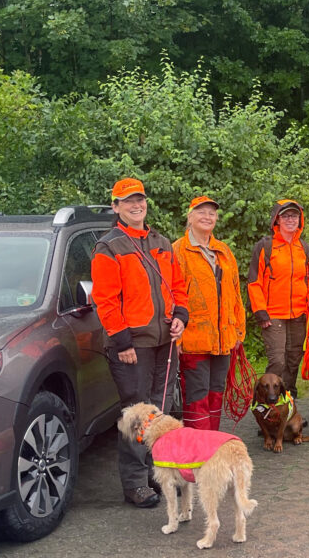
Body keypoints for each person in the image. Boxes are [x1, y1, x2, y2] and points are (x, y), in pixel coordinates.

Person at [91, 178, 189, 508]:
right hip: (132, 345)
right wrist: (122, 342)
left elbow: (178, 286)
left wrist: (181, 316)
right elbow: (105, 300)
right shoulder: (109, 246)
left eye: (140, 199)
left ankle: (155, 473)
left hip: (165, 341)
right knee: (137, 413)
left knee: (160, 411)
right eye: (128, 201)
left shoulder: (161, 242)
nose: (137, 205)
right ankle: (134, 483)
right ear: (116, 206)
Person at [173, 196, 246, 431]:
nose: (207, 217)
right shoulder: (178, 251)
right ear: (190, 216)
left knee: (216, 393)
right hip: (194, 340)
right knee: (197, 396)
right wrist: (178, 339)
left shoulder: (224, 251)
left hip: (224, 339)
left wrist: (238, 331)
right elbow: (172, 297)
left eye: (211, 213)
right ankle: (198, 448)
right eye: (201, 212)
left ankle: (212, 443)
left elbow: (235, 293)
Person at [247, 199, 309, 397]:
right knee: (277, 361)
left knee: (293, 360)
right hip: (273, 314)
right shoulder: (265, 246)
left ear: (300, 220)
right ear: (277, 220)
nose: (290, 219)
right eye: (285, 216)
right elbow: (254, 282)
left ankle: (287, 401)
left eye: (294, 216)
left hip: (299, 314)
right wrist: (260, 311)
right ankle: (266, 403)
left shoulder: (305, 249)